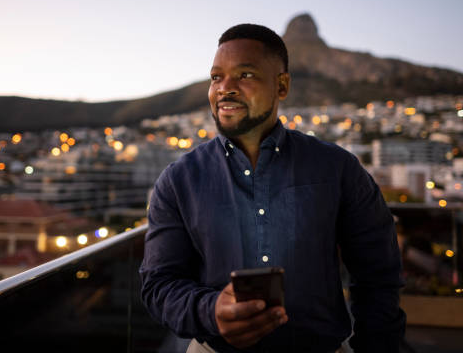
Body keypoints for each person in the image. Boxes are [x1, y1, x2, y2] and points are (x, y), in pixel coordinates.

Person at [140, 23, 406, 353]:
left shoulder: (338, 169)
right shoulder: (178, 180)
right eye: (215, 77)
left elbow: (378, 276)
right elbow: (159, 286)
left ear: (282, 86)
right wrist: (211, 312)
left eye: (245, 75)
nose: (225, 88)